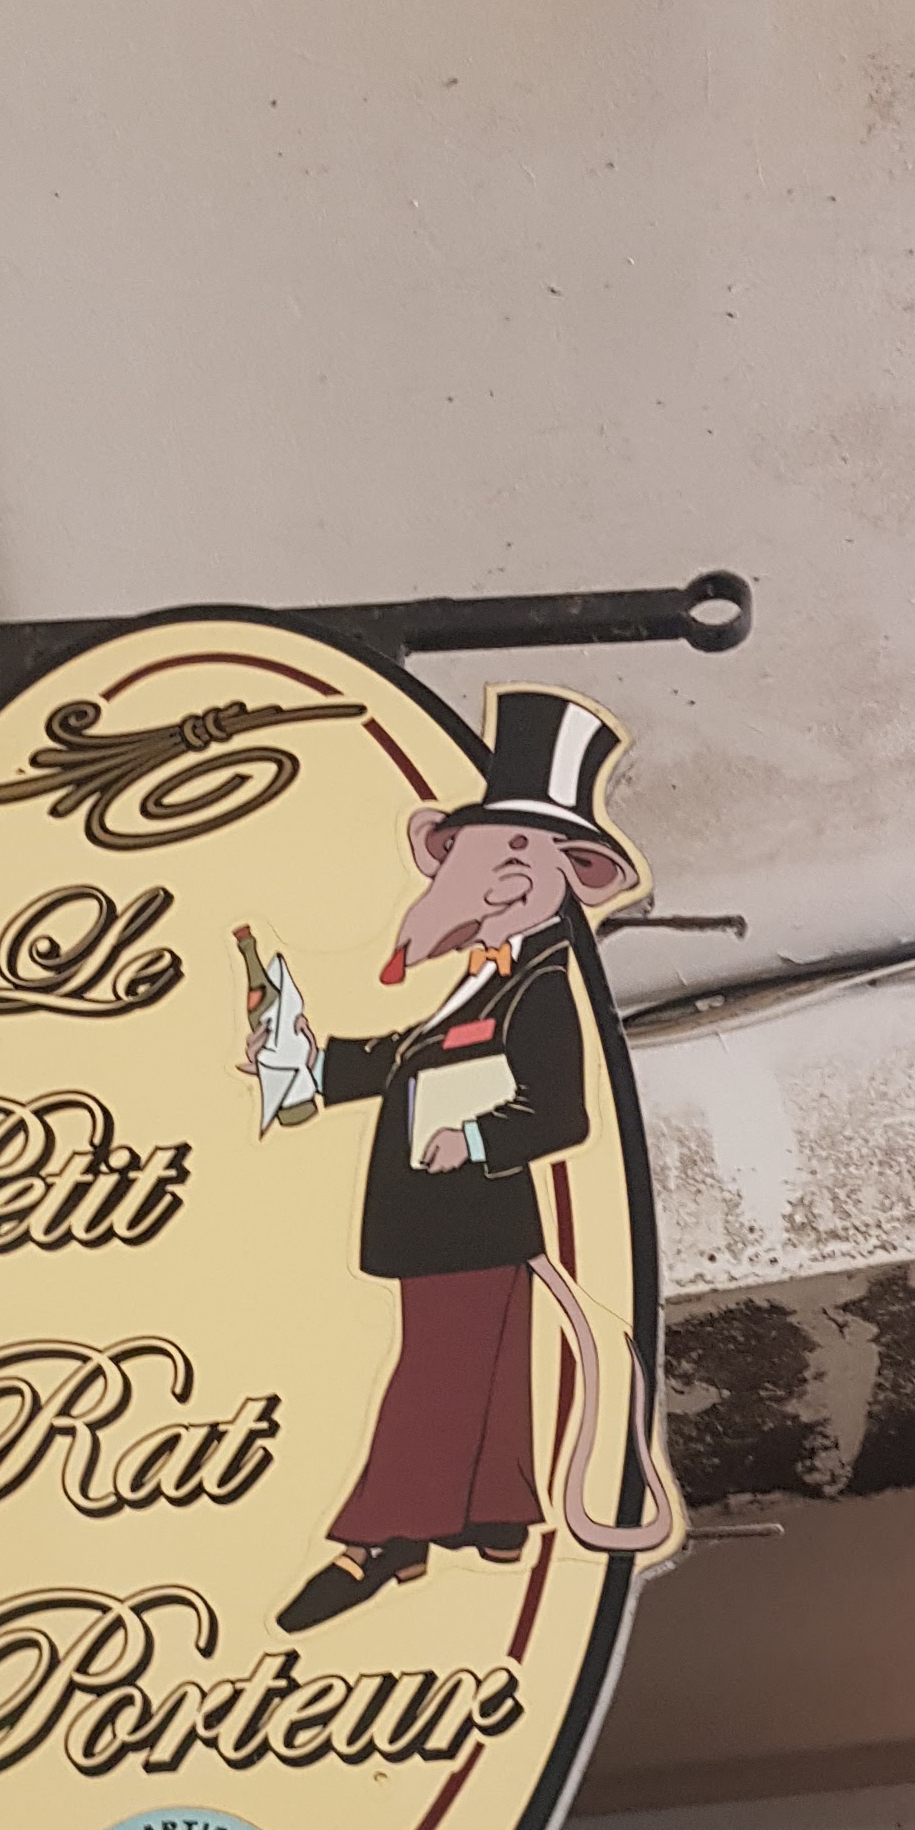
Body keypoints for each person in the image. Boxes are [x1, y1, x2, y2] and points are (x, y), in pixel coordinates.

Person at [258, 688, 642, 1635]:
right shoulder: (485, 976)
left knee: (435, 1376)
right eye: (492, 849)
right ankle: (497, 1519)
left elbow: (561, 1113)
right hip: (445, 1220)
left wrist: (470, 1139)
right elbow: (405, 1058)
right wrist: (307, 1062)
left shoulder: (543, 983)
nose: (502, 874)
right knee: (489, 1368)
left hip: (467, 1217)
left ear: (566, 874)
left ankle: (381, 1539)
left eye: (525, 853)